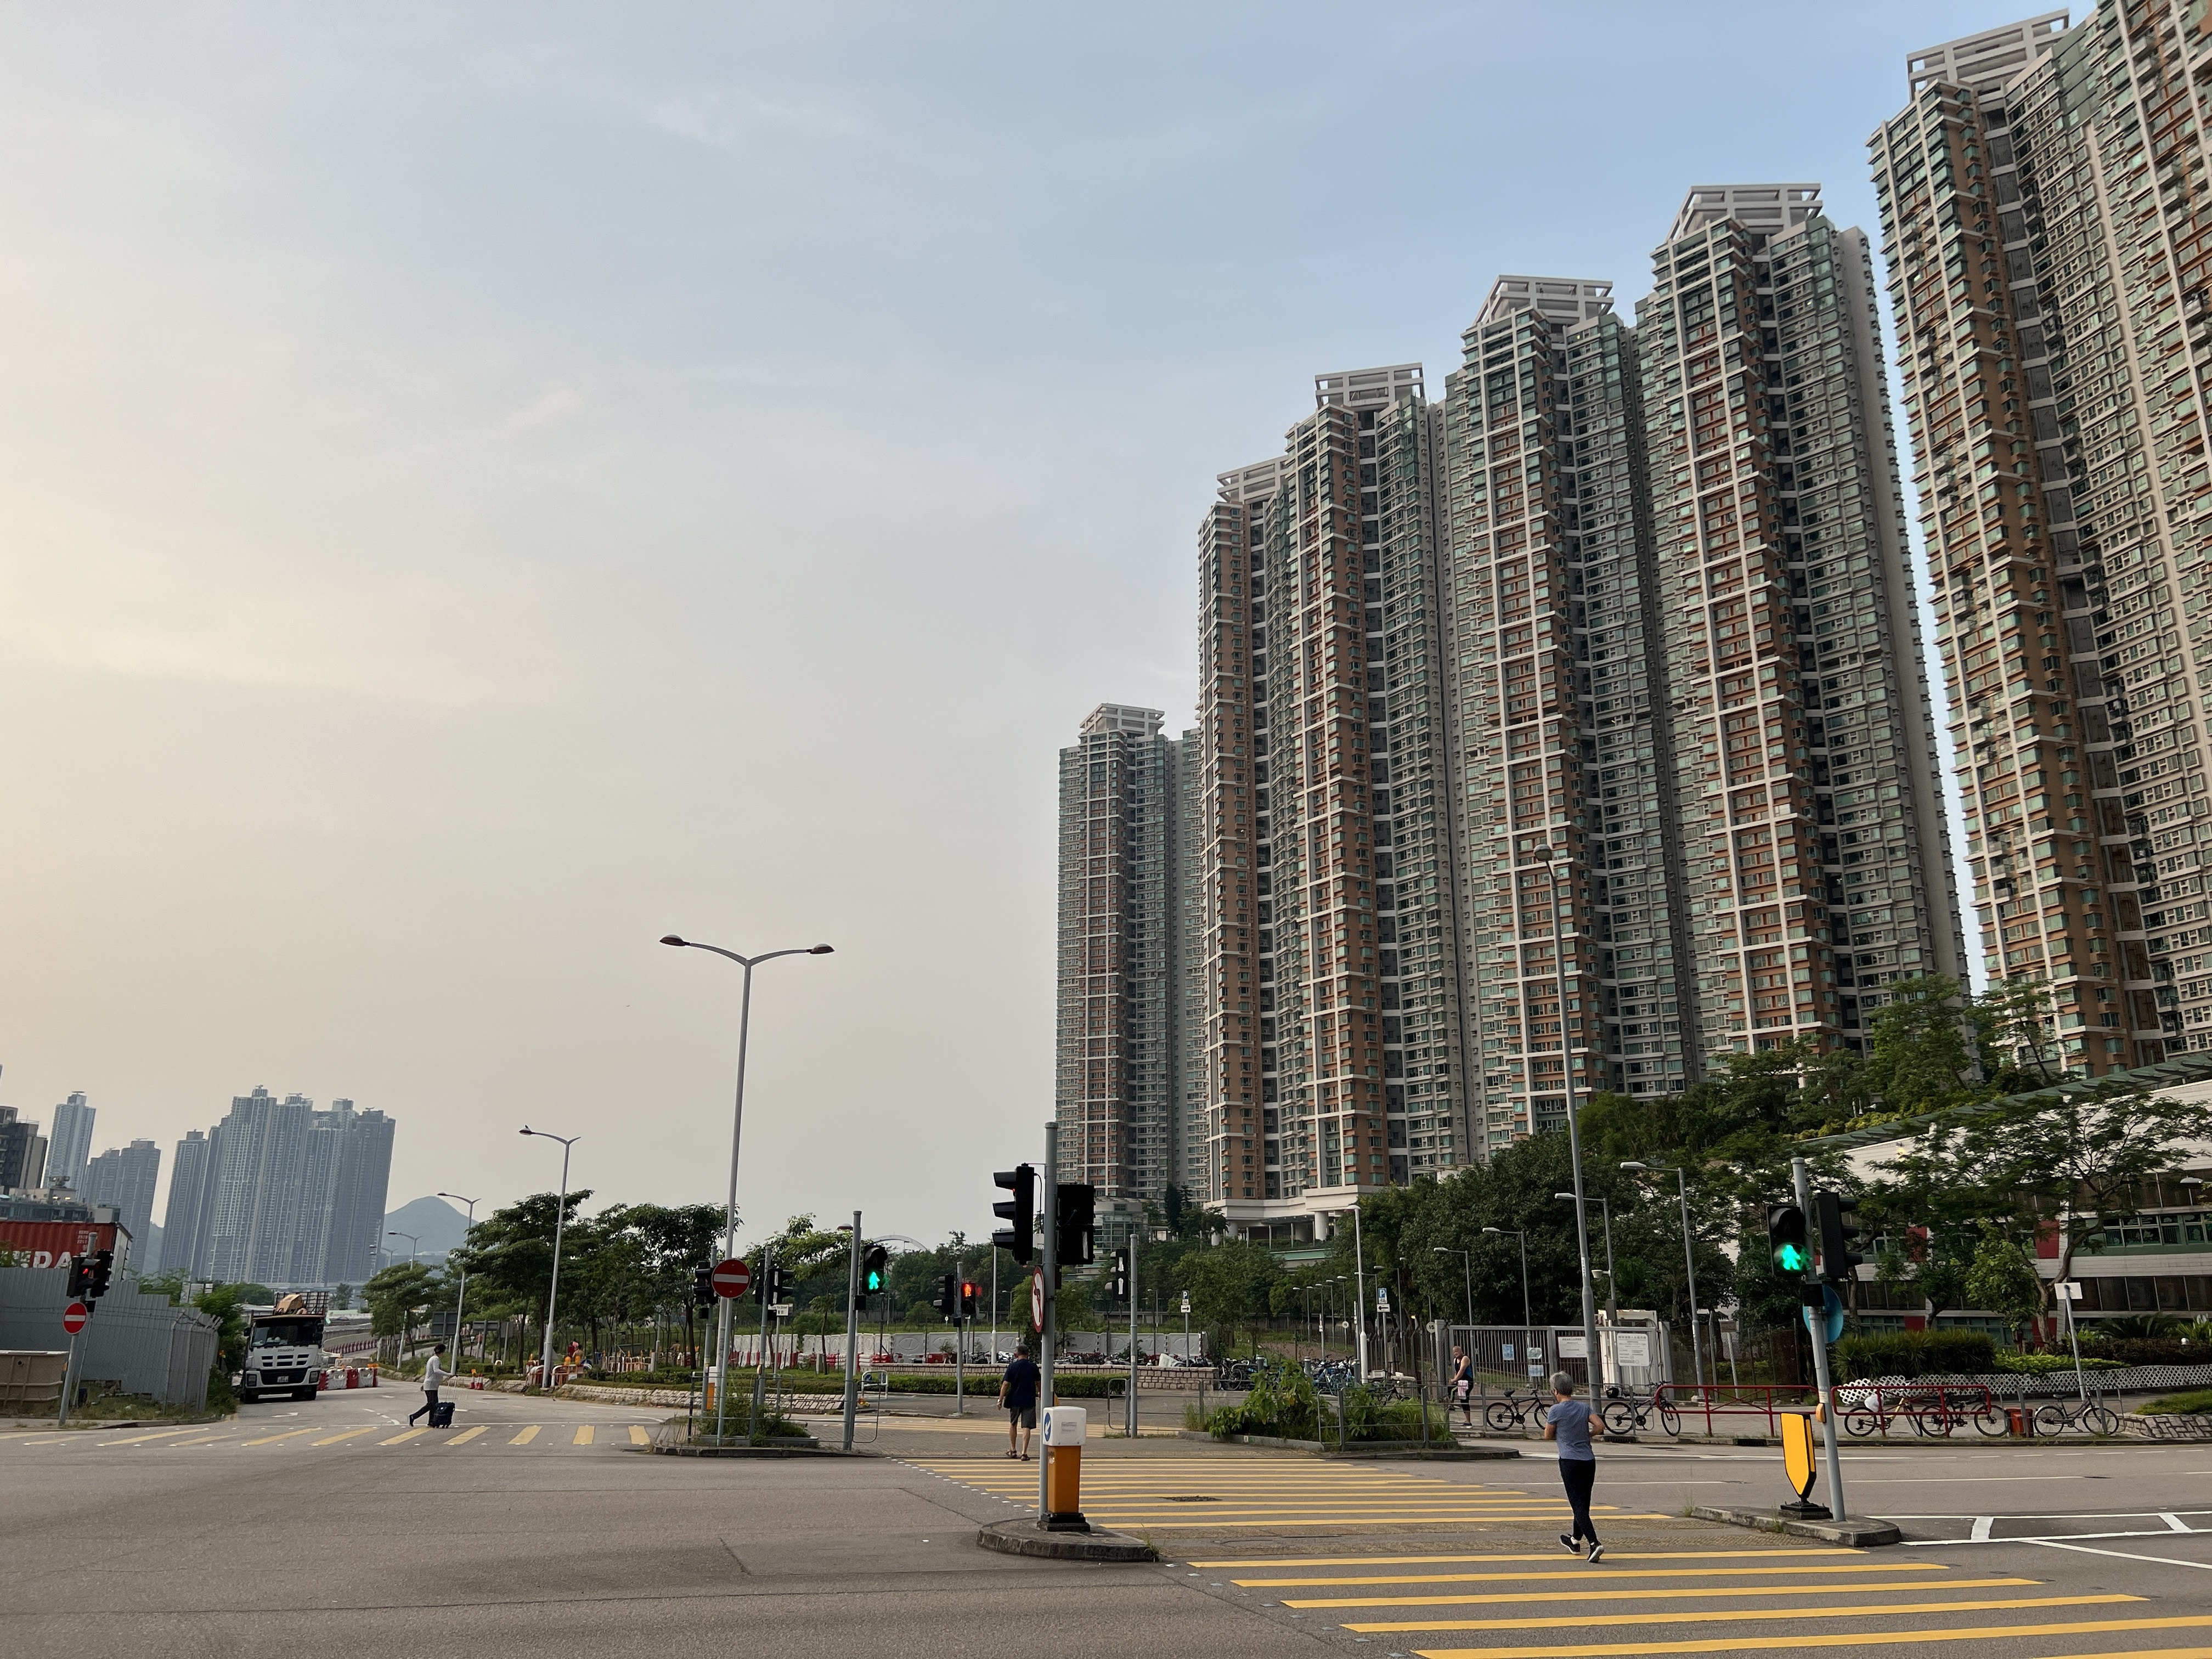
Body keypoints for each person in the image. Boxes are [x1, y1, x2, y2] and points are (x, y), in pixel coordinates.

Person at [1542, 1370, 1604, 1561]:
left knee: (1577, 1505)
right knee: (1583, 1503)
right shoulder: (1583, 1408)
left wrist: (1562, 1435)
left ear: (1555, 1391)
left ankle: (1595, 1543)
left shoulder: (1556, 1411)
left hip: (1569, 1461)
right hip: (1588, 1461)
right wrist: (1588, 1435)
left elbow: (1547, 1435)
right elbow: (1600, 1426)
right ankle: (1575, 1540)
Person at [999, 1344, 1041, 1460]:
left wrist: (1000, 1399)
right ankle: (1024, 1453)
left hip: (1015, 1400)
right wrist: (1040, 1393)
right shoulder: (1033, 1366)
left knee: (1013, 1424)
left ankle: (1013, 1450)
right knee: (1026, 1427)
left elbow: (1006, 1384)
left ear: (1017, 1354)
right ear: (1027, 1354)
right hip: (1029, 1400)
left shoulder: (1013, 1366)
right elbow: (1039, 1382)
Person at [408, 1344, 448, 1427]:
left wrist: (424, 1384)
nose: (443, 1354)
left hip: (431, 1385)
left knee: (434, 1405)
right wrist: (448, 1374)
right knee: (432, 1404)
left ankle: (432, 1422)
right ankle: (414, 1416)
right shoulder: (436, 1359)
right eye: (443, 1352)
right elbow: (436, 1370)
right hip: (431, 1385)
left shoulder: (433, 1359)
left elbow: (429, 1373)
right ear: (441, 1352)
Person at [1449, 1346, 1476, 1429]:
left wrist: (1454, 1380)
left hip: (1467, 1383)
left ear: (1461, 1351)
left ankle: (1451, 1404)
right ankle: (1468, 1422)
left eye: (1457, 1351)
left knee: (1450, 1388)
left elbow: (1462, 1370)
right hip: (1461, 1383)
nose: (1456, 1353)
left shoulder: (1465, 1359)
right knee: (1464, 1401)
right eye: (1454, 1352)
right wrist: (1455, 1379)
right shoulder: (1455, 1360)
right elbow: (1457, 1372)